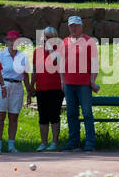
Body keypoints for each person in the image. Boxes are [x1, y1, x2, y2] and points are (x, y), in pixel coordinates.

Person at [61, 15, 100, 152]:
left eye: (76, 25)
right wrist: (62, 81)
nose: (74, 28)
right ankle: (73, 142)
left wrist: (92, 81)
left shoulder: (89, 42)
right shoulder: (64, 42)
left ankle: (90, 143)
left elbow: (95, 64)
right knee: (71, 114)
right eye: (71, 25)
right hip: (68, 83)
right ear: (69, 27)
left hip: (84, 84)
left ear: (81, 26)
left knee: (87, 113)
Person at [0, 30, 29, 154]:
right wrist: (1, 86)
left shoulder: (23, 56)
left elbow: (25, 75)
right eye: (9, 39)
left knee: (14, 116)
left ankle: (11, 145)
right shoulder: (1, 55)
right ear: (6, 41)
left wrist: (29, 92)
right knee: (0, 116)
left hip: (17, 86)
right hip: (3, 85)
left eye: (14, 39)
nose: (11, 42)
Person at [30, 26, 64, 151]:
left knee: (54, 115)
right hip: (41, 88)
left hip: (55, 88)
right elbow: (35, 71)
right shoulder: (37, 51)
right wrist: (31, 86)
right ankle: (43, 143)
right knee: (43, 117)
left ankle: (54, 142)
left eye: (49, 37)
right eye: (45, 37)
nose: (46, 39)